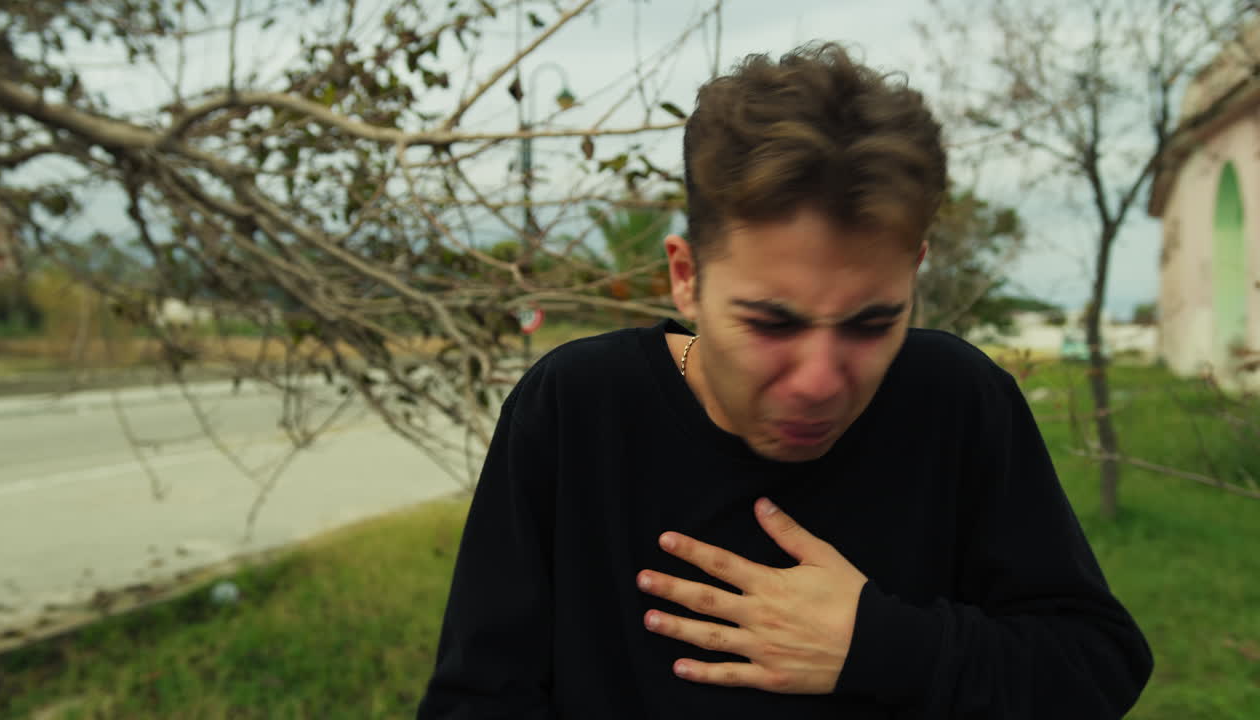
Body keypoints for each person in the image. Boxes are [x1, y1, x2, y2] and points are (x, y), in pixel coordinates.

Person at [418, 42, 1152, 719]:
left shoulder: (957, 400)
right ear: (685, 277)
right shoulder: (575, 409)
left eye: (870, 323)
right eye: (772, 323)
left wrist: (879, 645)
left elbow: (1097, 666)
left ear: (915, 273)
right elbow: (477, 697)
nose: (820, 383)